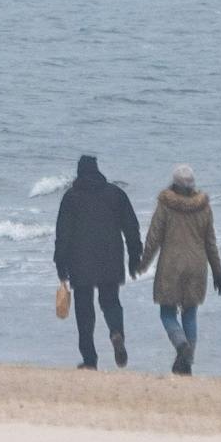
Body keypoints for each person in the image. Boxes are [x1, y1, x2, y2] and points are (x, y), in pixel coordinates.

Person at [53, 154, 142, 370]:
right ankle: (116, 332)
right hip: (110, 257)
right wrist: (134, 257)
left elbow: (62, 234)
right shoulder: (116, 194)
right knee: (110, 301)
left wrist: (60, 264)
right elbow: (132, 228)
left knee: (84, 310)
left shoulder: (71, 197)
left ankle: (90, 360)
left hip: (79, 260)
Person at [136, 164, 221, 376]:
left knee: (167, 312)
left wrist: (142, 264)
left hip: (171, 266)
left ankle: (181, 346)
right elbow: (210, 242)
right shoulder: (203, 207)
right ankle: (187, 363)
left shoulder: (166, 205)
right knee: (190, 313)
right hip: (197, 266)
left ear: (173, 183)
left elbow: (154, 237)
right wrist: (218, 272)